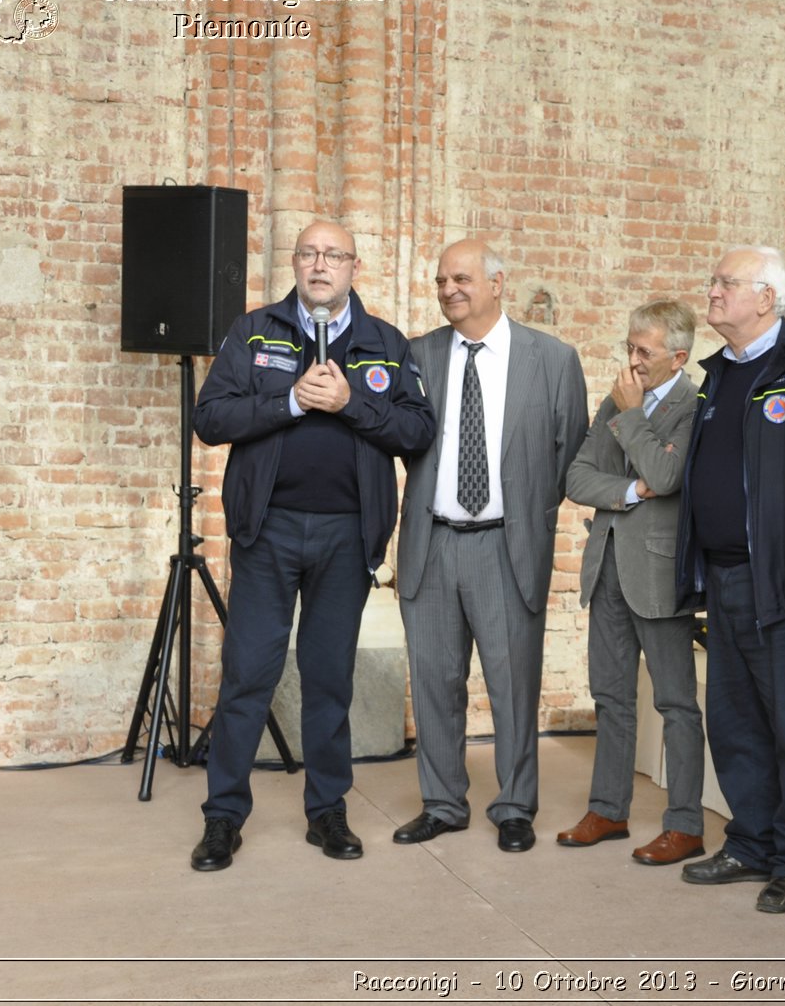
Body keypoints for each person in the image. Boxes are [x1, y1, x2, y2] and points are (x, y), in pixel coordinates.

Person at [189, 220, 436, 871]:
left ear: (354, 266)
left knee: (330, 678)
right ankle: (222, 819)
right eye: (308, 253)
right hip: (266, 531)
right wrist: (291, 401)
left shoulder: (383, 341)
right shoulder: (256, 331)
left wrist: (352, 401)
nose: (320, 264)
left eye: (333, 255)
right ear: (294, 263)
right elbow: (210, 418)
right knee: (249, 675)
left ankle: (327, 811)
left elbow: (415, 430)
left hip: (346, 536)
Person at [392, 239, 588, 854]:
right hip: (433, 541)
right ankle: (443, 803)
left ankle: (514, 806)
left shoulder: (552, 359)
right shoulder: (417, 354)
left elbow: (569, 452)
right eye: (442, 280)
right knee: (434, 683)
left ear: (498, 283)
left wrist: (526, 515)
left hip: (507, 547)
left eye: (463, 278)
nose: (450, 289)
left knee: (512, 685)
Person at [673, 246, 785, 913]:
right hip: (720, 577)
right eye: (713, 280)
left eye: (725, 283)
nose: (712, 292)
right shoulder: (717, 374)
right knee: (735, 717)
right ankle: (751, 841)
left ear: (766, 299)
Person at [557, 300, 705, 866]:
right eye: (630, 348)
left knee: (675, 702)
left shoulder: (694, 407)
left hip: (660, 573)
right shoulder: (617, 403)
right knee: (611, 696)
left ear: (678, 358)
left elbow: (669, 473)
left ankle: (685, 825)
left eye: (644, 352)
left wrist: (634, 419)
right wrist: (630, 491)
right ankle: (608, 810)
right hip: (609, 566)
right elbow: (577, 477)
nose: (633, 360)